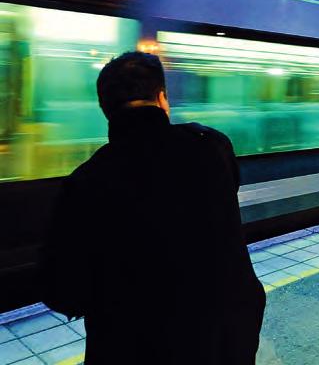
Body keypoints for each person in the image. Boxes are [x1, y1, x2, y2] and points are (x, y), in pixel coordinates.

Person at [40, 52, 265, 364]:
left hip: (133, 350)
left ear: (106, 110)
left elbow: (61, 292)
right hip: (225, 344)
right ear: (162, 98)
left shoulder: (85, 182)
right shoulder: (213, 147)